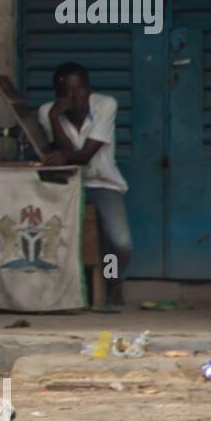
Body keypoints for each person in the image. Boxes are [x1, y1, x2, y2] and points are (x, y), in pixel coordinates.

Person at [37, 61, 132, 307]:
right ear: (58, 95)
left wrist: (65, 155)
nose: (75, 96)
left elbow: (83, 155)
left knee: (120, 242)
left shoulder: (106, 105)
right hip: (67, 185)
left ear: (90, 89)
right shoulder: (48, 112)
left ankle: (114, 282)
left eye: (80, 89)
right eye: (67, 91)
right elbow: (65, 150)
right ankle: (59, 292)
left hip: (103, 184)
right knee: (52, 236)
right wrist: (54, 117)